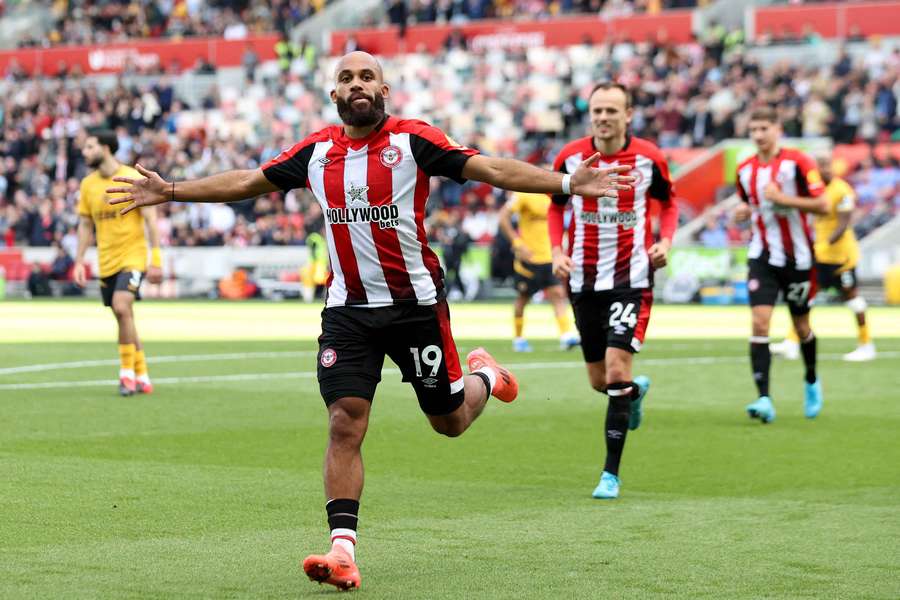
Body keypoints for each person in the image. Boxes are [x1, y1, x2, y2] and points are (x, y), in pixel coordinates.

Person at [106, 51, 633, 592]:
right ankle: (342, 551)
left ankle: (486, 377)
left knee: (448, 422)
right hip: (348, 311)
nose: (356, 85)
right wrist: (169, 190)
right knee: (344, 420)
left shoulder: (414, 141)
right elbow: (248, 181)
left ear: (385, 89)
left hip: (415, 308)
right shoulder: (315, 154)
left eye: (366, 77)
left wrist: (566, 185)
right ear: (334, 95)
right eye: (345, 78)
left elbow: (492, 169)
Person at [549, 82, 679, 500]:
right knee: (599, 380)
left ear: (628, 115)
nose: (603, 117)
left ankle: (610, 475)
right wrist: (556, 250)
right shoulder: (571, 157)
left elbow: (670, 202)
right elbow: (555, 205)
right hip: (584, 280)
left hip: (631, 278)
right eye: (597, 110)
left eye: (611, 110)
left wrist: (665, 241)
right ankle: (634, 394)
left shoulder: (649, 157)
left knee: (617, 371)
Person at [731, 107, 827, 424]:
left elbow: (823, 204)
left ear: (778, 129)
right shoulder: (744, 168)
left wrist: (786, 200)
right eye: (753, 129)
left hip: (798, 259)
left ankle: (811, 379)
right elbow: (747, 202)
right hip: (762, 256)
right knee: (760, 323)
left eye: (764, 128)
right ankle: (764, 398)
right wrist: (742, 212)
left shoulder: (798, 162)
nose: (758, 135)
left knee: (802, 326)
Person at [74, 129, 163, 397]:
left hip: (133, 256)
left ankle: (126, 376)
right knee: (124, 317)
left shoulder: (132, 177)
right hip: (107, 260)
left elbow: (150, 219)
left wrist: (156, 259)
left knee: (121, 306)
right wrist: (79, 260)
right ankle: (142, 374)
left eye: (89, 147)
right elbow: (85, 225)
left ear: (105, 148)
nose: (84, 152)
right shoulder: (88, 185)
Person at [770, 153, 876, 362]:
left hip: (841, 258)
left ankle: (866, 345)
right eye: (821, 167)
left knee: (853, 299)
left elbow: (843, 223)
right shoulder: (814, 191)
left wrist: (824, 243)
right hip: (820, 256)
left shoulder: (842, 190)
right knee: (805, 297)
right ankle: (791, 343)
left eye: (828, 166)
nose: (825, 170)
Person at [498, 189, 579, 352]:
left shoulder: (555, 196)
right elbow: (503, 217)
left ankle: (566, 335)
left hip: (549, 257)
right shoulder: (523, 194)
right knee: (523, 298)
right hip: (529, 258)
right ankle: (519, 338)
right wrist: (517, 243)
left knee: (557, 293)